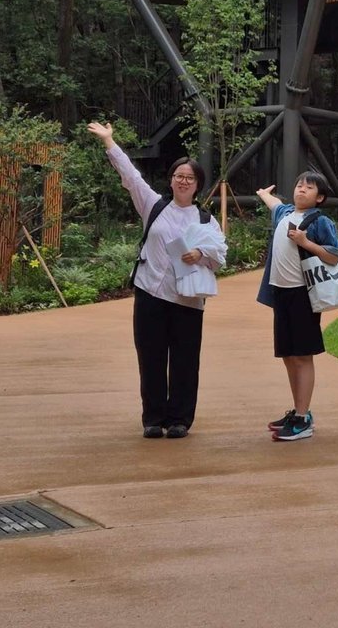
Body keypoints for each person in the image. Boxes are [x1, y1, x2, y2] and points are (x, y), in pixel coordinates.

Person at [87, 121, 226, 439]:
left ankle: (179, 419)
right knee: (150, 358)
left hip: (187, 298)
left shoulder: (206, 219)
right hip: (150, 291)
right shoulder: (154, 205)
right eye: (179, 176)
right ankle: (152, 418)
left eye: (190, 178)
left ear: (198, 184)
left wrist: (199, 255)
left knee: (185, 361)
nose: (183, 181)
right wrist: (110, 141)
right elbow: (131, 177)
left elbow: (219, 258)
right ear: (171, 179)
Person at [255, 171, 338, 442]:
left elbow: (334, 255)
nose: (302, 189)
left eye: (309, 187)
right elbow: (274, 204)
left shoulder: (320, 221)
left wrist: (307, 243)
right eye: (299, 185)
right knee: (289, 355)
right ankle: (299, 410)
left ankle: (303, 420)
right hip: (280, 294)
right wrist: (264, 195)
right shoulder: (284, 214)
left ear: (320, 197)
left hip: (303, 296)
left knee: (303, 356)